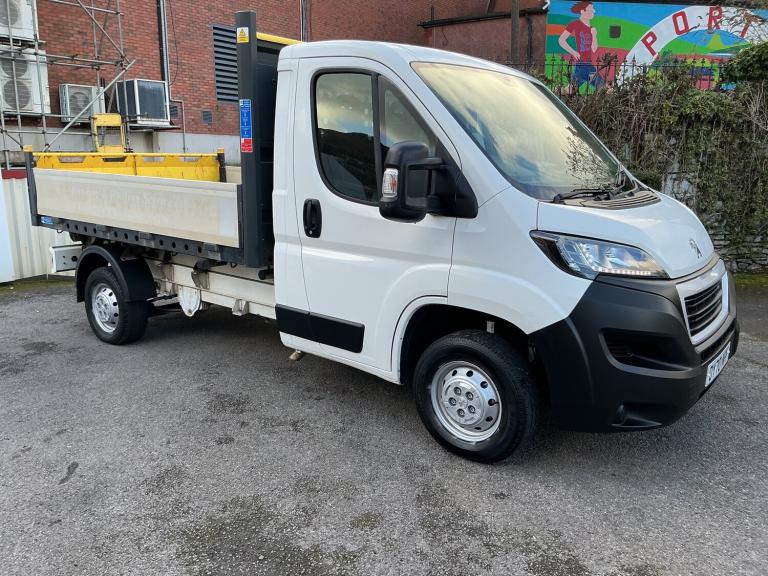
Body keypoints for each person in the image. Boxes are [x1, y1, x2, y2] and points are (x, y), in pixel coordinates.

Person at [558, 1, 603, 90]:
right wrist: (574, 52)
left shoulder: (592, 28)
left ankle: (556, 94)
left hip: (585, 64)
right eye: (590, 9)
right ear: (582, 11)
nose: (593, 11)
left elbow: (594, 49)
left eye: (593, 9)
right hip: (584, 65)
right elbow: (561, 40)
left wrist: (594, 35)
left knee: (571, 89)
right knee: (602, 86)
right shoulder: (575, 24)